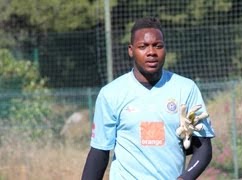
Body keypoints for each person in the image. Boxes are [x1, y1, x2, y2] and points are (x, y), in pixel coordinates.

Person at [81, 17, 215, 180]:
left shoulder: (186, 89)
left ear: (165, 48)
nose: (151, 52)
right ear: (131, 50)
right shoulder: (111, 93)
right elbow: (99, 153)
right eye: (143, 46)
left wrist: (185, 177)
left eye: (158, 46)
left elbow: (204, 148)